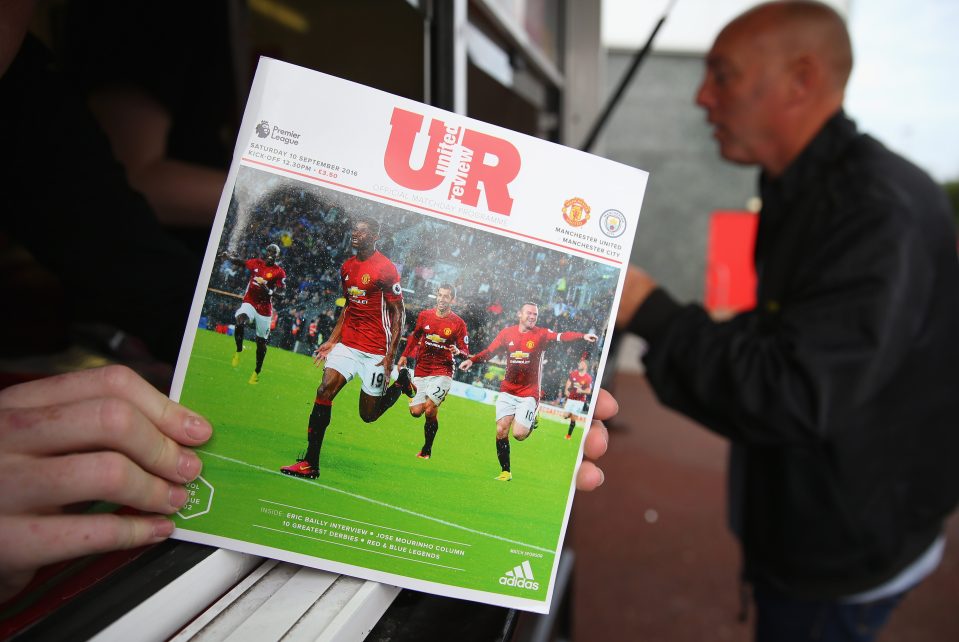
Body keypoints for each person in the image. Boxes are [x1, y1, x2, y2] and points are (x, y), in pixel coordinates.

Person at [615, 2, 959, 640]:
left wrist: (651, 311)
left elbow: (795, 390)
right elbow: (795, 333)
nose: (700, 97)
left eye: (722, 75)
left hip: (846, 546)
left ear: (803, 79)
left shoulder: (874, 210)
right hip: (832, 514)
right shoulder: (804, 184)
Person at [279, 218, 407, 479]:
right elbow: (349, 306)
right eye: (354, 230)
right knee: (324, 390)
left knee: (368, 415)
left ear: (374, 236)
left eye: (362, 231)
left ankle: (400, 385)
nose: (355, 234)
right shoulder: (347, 267)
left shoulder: (386, 268)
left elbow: (399, 314)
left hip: (376, 351)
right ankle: (310, 463)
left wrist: (390, 356)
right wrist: (332, 339)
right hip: (348, 344)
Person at [459, 303, 598, 481]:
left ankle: (532, 420)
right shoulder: (506, 333)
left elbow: (562, 336)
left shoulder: (541, 334)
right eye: (529, 313)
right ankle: (505, 471)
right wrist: (472, 360)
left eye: (535, 314)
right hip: (507, 390)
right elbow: (490, 352)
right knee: (501, 430)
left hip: (528, 393)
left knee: (519, 434)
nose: (533, 317)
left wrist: (582, 336)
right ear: (520, 314)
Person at [394, 284, 470, 459]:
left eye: (446, 296)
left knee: (429, 409)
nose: (442, 299)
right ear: (436, 296)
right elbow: (415, 336)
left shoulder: (458, 323)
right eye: (440, 295)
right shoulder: (424, 316)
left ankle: (427, 448)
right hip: (422, 368)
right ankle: (409, 386)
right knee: (416, 412)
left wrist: (459, 352)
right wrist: (404, 355)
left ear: (453, 300)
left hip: (443, 370)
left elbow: (465, 349)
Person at [220, 244, 287, 384]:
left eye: (274, 253)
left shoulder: (279, 272)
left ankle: (257, 371)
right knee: (240, 321)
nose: (270, 254)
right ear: (265, 252)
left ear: (277, 256)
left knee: (261, 343)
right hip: (250, 302)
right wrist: (229, 257)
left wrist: (268, 290)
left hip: (264, 308)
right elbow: (241, 262)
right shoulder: (256, 263)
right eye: (269, 251)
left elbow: (282, 293)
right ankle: (239, 350)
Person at [562, 357, 593, 441]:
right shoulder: (574, 373)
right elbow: (569, 381)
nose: (579, 364)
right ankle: (571, 414)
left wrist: (582, 391)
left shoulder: (588, 378)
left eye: (582, 364)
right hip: (571, 398)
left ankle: (568, 435)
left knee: (573, 419)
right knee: (565, 416)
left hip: (580, 401)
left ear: (586, 366)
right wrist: (566, 390)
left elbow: (589, 391)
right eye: (580, 363)